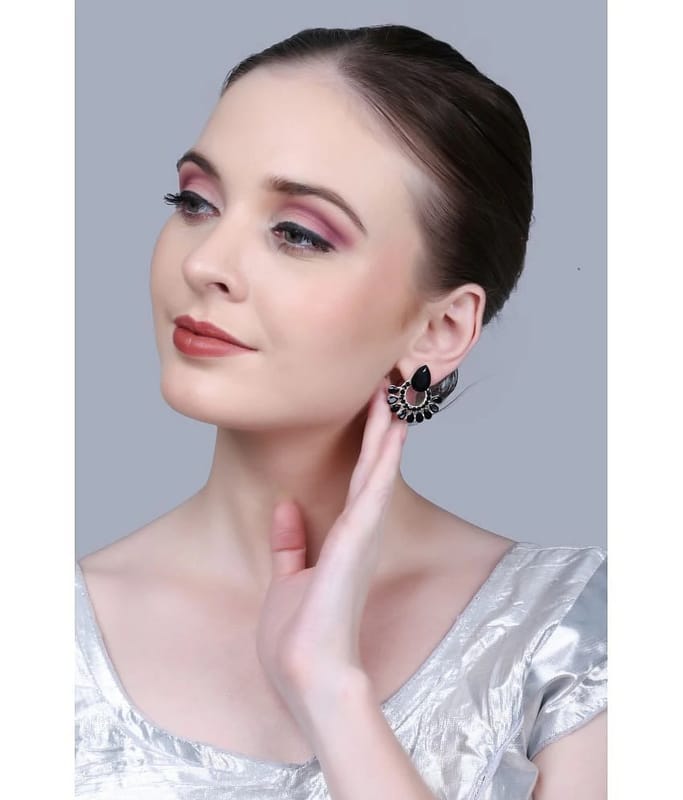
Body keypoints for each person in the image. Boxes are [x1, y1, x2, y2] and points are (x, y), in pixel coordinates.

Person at [75, 23, 607, 800]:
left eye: (297, 234)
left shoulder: (571, 640)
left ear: (438, 329)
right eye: (194, 202)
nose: (204, 262)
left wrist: (331, 691)